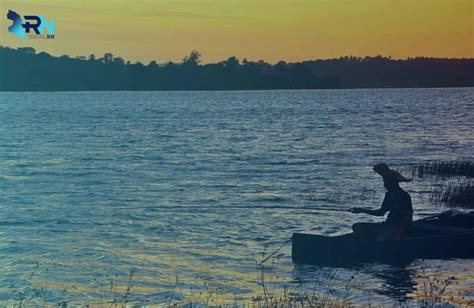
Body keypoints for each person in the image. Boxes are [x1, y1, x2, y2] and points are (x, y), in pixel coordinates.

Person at [350, 163, 413, 242]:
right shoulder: (389, 195)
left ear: (392, 182)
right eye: (384, 181)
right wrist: (361, 210)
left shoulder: (403, 196)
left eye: (385, 181)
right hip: (388, 226)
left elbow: (407, 218)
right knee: (357, 227)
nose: (384, 184)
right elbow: (381, 212)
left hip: (398, 228)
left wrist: (399, 234)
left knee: (380, 240)